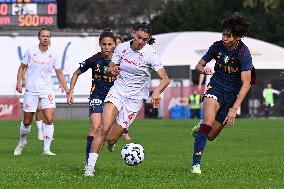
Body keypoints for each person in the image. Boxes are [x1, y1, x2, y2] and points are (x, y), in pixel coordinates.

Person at [84, 22, 171, 177]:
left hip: (134, 100)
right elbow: (109, 68)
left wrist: (157, 92)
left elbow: (165, 79)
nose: (141, 41)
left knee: (111, 138)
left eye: (145, 39)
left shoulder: (150, 54)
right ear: (133, 34)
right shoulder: (121, 48)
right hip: (117, 91)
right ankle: (89, 169)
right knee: (103, 128)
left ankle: (112, 142)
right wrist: (113, 70)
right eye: (139, 37)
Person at [190, 12, 253, 174]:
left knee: (210, 135)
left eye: (229, 36)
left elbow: (246, 84)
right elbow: (199, 64)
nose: (225, 38)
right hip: (215, 87)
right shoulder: (217, 46)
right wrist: (203, 70)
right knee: (208, 121)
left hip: (231, 96)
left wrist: (234, 108)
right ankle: (196, 164)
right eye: (224, 34)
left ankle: (201, 127)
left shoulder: (243, 53)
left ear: (237, 37)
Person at [14, 27, 69, 156]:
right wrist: (19, 82)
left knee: (49, 118)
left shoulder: (53, 54)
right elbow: (22, 67)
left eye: (48, 36)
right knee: (27, 121)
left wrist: (67, 89)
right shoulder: (31, 51)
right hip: (31, 89)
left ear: (50, 38)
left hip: (47, 89)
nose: (45, 38)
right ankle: (21, 143)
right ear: (39, 37)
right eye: (43, 36)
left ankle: (46, 149)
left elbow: (59, 72)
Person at [67, 28, 117, 164]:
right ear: (100, 44)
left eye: (109, 44)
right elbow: (76, 73)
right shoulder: (94, 59)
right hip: (97, 96)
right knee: (95, 127)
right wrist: (71, 91)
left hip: (114, 99)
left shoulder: (120, 61)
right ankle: (89, 162)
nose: (106, 47)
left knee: (106, 132)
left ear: (114, 45)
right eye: (104, 44)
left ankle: (111, 141)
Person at [115, 34, 132, 141]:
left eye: (119, 43)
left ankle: (125, 132)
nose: (117, 45)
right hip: (113, 88)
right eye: (115, 43)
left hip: (126, 88)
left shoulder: (128, 57)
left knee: (125, 111)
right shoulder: (112, 58)